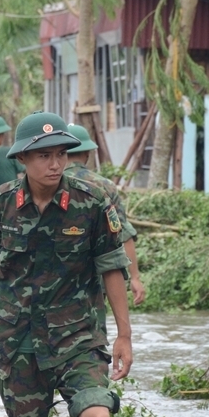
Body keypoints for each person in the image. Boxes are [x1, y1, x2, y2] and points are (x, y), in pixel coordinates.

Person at [0, 111, 132, 417]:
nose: (54, 164)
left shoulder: (91, 201)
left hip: (78, 336)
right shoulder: (1, 203)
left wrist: (124, 334)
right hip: (20, 341)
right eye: (44, 155)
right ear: (23, 160)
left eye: (61, 154)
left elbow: (112, 265)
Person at [64, 124, 145, 305]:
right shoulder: (105, 186)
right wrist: (135, 278)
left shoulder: (49, 184)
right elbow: (122, 232)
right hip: (96, 281)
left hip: (56, 283)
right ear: (87, 154)